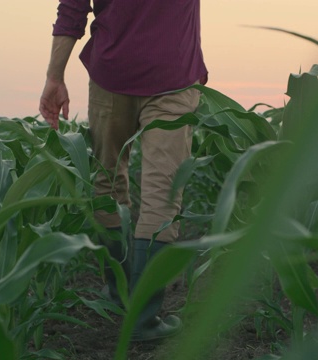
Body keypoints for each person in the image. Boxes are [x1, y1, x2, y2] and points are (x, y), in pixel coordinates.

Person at [39, 0, 208, 342]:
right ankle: (143, 319)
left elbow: (72, 8)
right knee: (163, 195)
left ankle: (119, 294)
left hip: (111, 73)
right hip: (172, 73)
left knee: (107, 182)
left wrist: (55, 77)